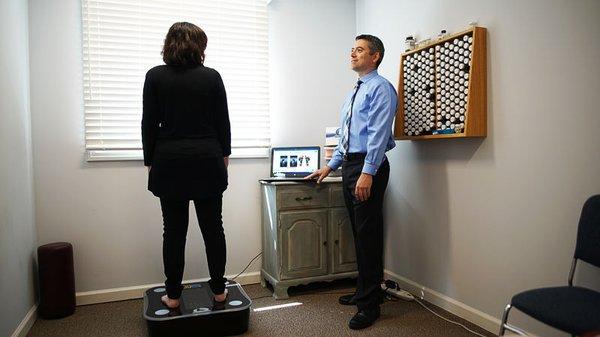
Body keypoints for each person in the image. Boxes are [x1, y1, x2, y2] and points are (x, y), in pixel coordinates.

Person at [305, 34, 397, 329]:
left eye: (360, 50)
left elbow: (379, 135)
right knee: (359, 234)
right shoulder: (355, 91)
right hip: (351, 165)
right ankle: (363, 292)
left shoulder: (381, 89)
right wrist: (330, 167)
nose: (353, 55)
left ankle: (370, 305)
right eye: (352, 50)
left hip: (368, 167)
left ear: (376, 56)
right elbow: (346, 138)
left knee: (368, 236)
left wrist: (367, 173)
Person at [142, 22, 231, 309]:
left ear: (169, 44)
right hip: (207, 159)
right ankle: (219, 291)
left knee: (174, 231)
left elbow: (148, 124)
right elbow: (223, 122)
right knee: (213, 229)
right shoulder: (212, 77)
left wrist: (150, 161)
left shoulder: (155, 76)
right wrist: (224, 157)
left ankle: (173, 296)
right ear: (199, 47)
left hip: (169, 161)